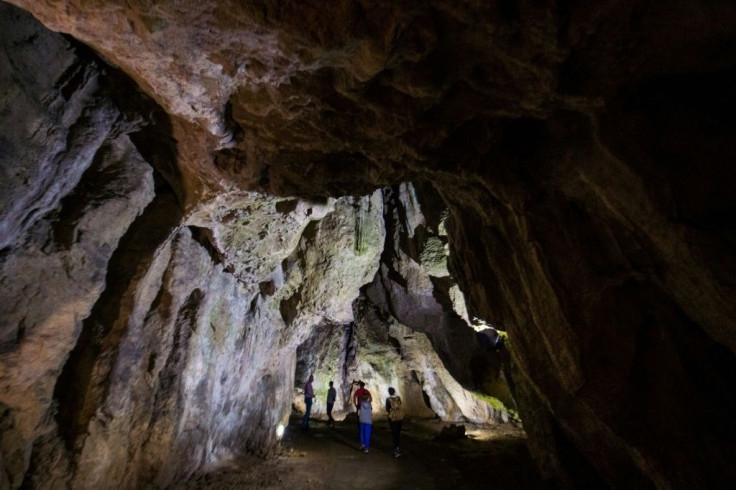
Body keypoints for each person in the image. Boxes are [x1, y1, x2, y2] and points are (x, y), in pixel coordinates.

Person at [385, 387, 404, 457]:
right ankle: (398, 447)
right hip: (399, 417)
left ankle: (396, 449)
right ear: (394, 392)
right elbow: (400, 405)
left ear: (389, 392)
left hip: (392, 418)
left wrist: (391, 410)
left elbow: (387, 409)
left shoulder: (388, 399)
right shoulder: (398, 398)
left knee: (394, 433)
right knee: (398, 433)